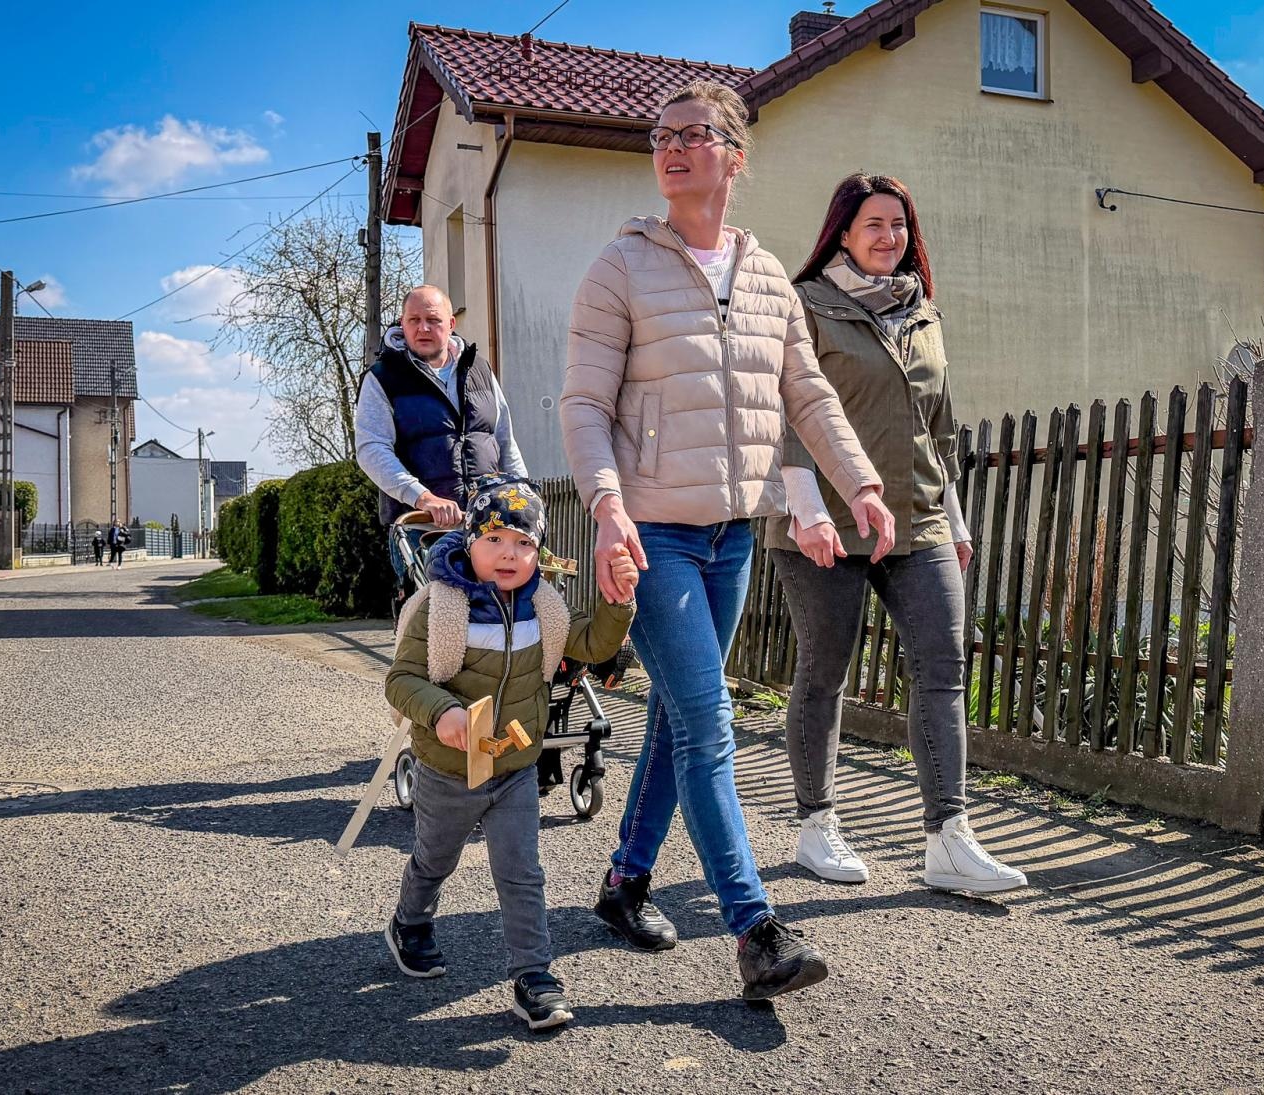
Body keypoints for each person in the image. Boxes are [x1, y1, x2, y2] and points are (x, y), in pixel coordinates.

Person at [561, 80, 893, 1002]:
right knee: (710, 723)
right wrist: (607, 505)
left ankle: (627, 882)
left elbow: (807, 396)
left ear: (734, 158)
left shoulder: (767, 276)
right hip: (654, 533)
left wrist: (857, 478)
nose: (670, 147)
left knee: (677, 714)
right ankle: (755, 931)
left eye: (692, 134)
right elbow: (584, 405)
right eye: (659, 135)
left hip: (731, 537)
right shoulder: (619, 269)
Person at [772, 173, 1027, 895]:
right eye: (875, 225)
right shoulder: (806, 304)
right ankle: (816, 823)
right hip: (824, 517)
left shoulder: (922, 312)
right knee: (825, 672)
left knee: (943, 669)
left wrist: (959, 516)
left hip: (921, 517)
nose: (890, 238)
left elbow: (939, 428)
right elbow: (785, 411)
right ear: (842, 233)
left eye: (900, 226)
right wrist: (801, 507)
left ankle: (949, 836)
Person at [382, 476, 637, 1030]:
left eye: (523, 543)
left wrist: (619, 602)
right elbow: (400, 680)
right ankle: (410, 921)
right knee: (435, 859)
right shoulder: (440, 607)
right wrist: (442, 712)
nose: (509, 554)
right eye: (496, 538)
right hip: (448, 769)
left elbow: (592, 645)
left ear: (537, 552)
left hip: (516, 768)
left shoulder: (544, 606)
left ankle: (534, 977)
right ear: (471, 541)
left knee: (522, 873)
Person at [355, 286, 527, 584]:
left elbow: (504, 441)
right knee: (436, 623)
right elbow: (371, 449)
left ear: (450, 324)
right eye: (414, 320)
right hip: (421, 531)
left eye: (433, 320)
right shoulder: (383, 378)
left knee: (499, 622)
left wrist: (523, 498)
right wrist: (423, 498)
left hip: (489, 527)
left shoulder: (480, 371)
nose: (423, 328)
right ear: (402, 323)